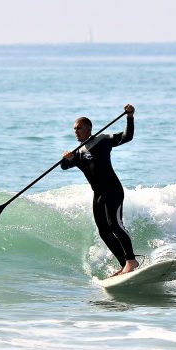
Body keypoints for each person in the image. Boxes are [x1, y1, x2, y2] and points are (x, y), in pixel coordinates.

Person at [62, 104, 139, 277]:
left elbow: (128, 137)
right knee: (104, 231)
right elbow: (64, 167)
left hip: (113, 190)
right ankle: (124, 265)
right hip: (98, 195)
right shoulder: (79, 153)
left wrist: (130, 116)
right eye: (74, 129)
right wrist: (66, 158)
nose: (76, 132)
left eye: (79, 128)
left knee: (115, 226)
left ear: (89, 129)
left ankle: (131, 260)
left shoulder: (103, 140)